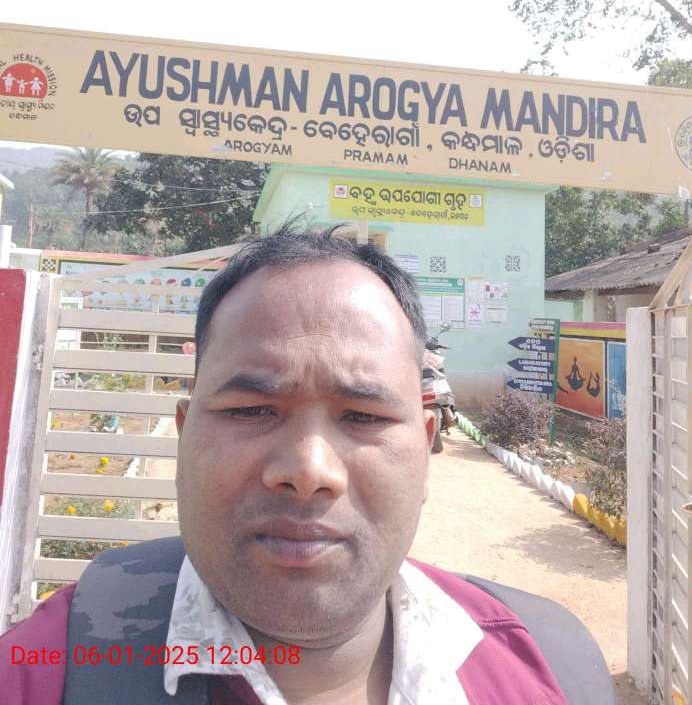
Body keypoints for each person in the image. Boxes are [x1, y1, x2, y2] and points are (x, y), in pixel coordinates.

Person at [0, 224, 609, 704]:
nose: (309, 470)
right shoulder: (36, 677)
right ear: (185, 436)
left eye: (363, 417)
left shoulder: (552, 670)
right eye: (250, 410)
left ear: (426, 448)